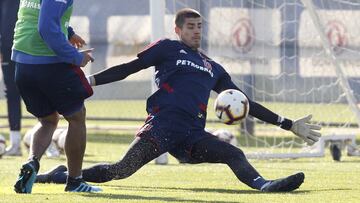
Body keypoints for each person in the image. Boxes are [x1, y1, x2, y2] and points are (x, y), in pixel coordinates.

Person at [36, 8, 321, 192]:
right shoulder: (168, 48)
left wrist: (288, 124)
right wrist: (90, 81)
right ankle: (61, 175)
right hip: (162, 127)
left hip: (192, 136)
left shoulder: (213, 67)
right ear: (178, 30)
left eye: (199, 26)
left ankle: (265, 185)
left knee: (233, 153)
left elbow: (245, 102)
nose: (197, 31)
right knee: (119, 171)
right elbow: (129, 68)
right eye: (191, 27)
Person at [12, 0, 100, 193]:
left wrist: (68, 32)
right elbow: (46, 27)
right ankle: (75, 181)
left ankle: (32, 163)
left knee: (48, 120)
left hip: (22, 63)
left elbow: (37, 14)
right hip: (48, 63)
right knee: (76, 117)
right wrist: (76, 57)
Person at [0, 0, 23, 156]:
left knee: (38, 90)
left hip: (29, 45)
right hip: (8, 47)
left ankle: (47, 141)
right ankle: (15, 144)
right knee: (12, 92)